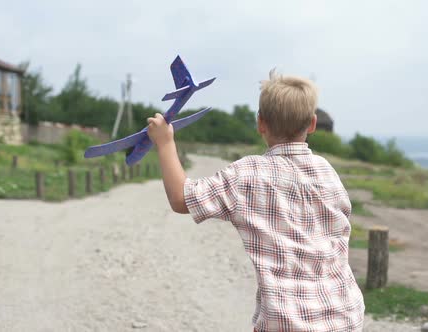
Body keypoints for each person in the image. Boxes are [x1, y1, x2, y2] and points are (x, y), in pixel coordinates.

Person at [146, 70, 365, 331]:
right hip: (345, 316)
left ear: (261, 123)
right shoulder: (327, 171)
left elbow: (182, 198)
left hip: (287, 322)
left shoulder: (247, 173)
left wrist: (165, 143)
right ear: (313, 124)